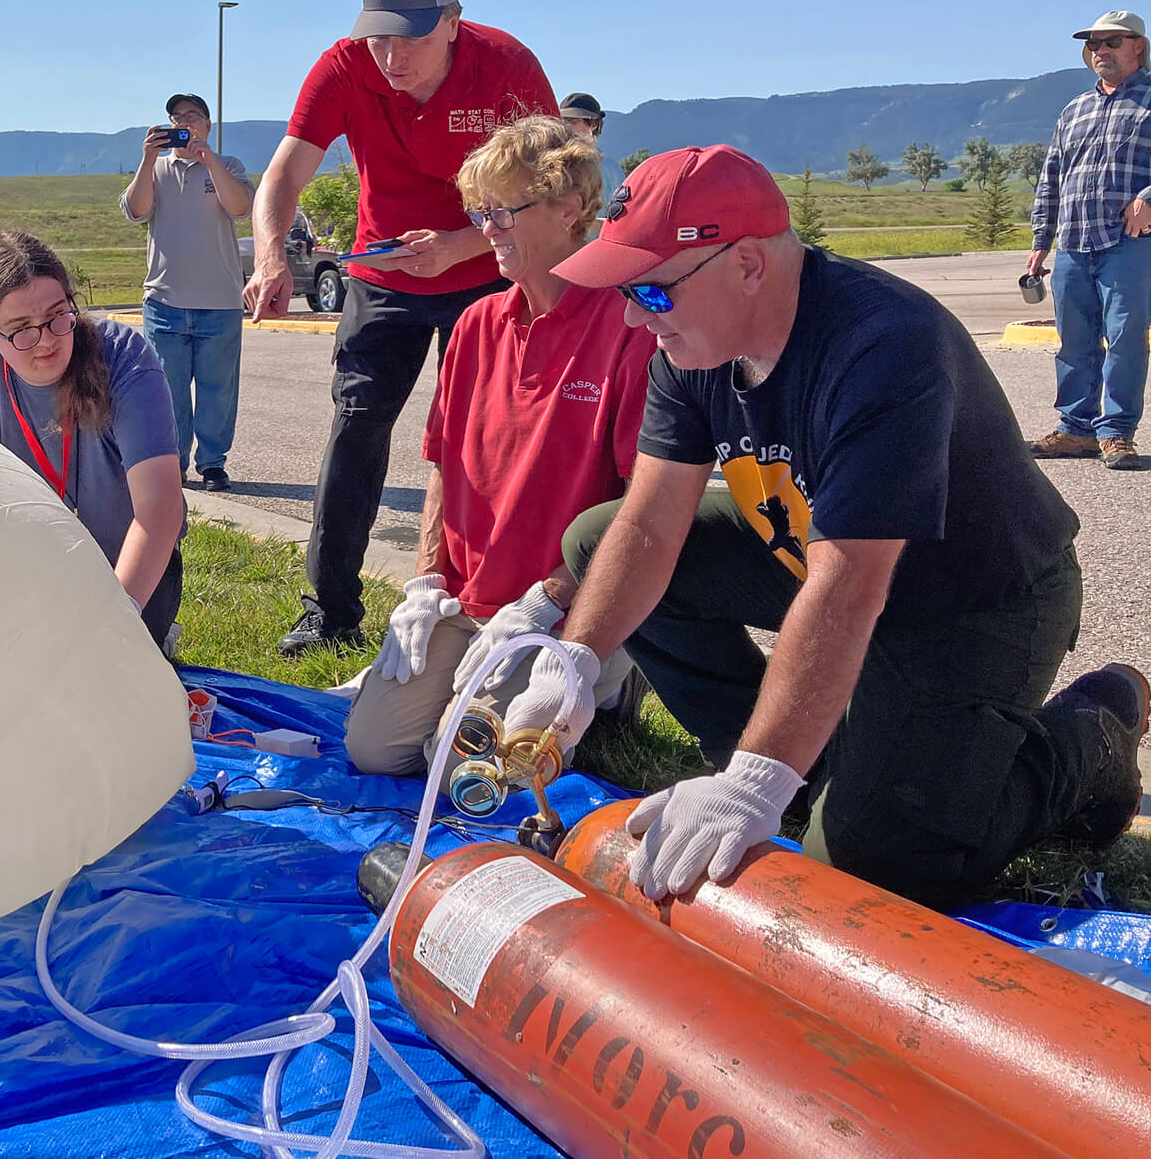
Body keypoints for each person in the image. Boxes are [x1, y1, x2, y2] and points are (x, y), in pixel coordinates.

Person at [491, 143, 1146, 911]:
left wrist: (756, 781)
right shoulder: (689, 341)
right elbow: (648, 524)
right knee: (598, 543)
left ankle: (1086, 733)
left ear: (746, 265)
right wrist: (574, 656)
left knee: (877, 861)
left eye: (652, 292)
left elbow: (849, 589)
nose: (635, 317)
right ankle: (788, 768)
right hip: (822, 546)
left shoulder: (884, 344)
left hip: (972, 600)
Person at [242, 0, 557, 655]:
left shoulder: (508, 69)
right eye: (379, 36)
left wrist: (459, 243)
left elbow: (548, 188)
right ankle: (329, 610)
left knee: (483, 438)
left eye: (411, 37)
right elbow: (284, 174)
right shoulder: (343, 68)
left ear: (452, 21)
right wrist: (269, 256)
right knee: (356, 425)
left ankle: (492, 606)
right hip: (383, 272)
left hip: (481, 265)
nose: (393, 56)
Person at [344, 116, 652, 785]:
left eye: (503, 210)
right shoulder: (476, 326)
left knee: (461, 773)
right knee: (373, 750)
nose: (486, 228)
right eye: (479, 211)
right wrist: (425, 583)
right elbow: (441, 467)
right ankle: (470, 676)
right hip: (472, 598)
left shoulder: (628, 327)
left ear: (570, 209)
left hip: (565, 607)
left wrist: (553, 599)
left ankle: (611, 676)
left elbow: (644, 505)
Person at [0, 232, 187, 647]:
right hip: (23, 573)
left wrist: (118, 616)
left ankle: (150, 636)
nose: (49, 340)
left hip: (127, 570)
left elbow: (159, 507)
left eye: (58, 315)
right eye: (21, 330)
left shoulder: (125, 358)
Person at [1025, 10, 1151, 471]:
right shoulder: (1074, 109)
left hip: (1130, 243)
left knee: (1124, 338)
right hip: (1074, 243)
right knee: (1075, 340)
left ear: (1137, 45)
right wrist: (1042, 237)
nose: (1102, 51)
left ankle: (1117, 432)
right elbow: (1051, 176)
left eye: (1112, 42)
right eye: (1095, 44)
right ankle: (1076, 429)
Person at [120, 92, 254, 492]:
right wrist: (146, 158)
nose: (184, 123)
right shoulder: (156, 169)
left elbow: (240, 207)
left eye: (192, 116)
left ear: (209, 125)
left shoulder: (227, 165)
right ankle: (172, 463)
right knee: (168, 389)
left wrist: (207, 160)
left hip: (220, 302)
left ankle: (213, 464)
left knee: (218, 390)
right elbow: (136, 209)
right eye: (177, 118)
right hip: (165, 302)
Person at [560, 91, 625, 197]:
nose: (565, 127)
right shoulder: (552, 166)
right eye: (562, 121)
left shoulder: (610, 170)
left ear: (594, 124)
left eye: (572, 121)